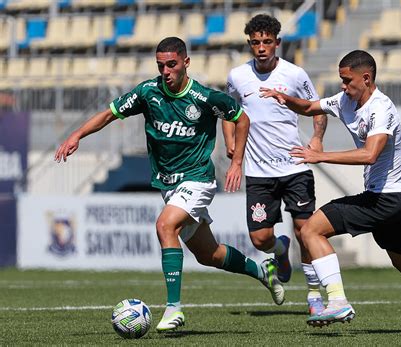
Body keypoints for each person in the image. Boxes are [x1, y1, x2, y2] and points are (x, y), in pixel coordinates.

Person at [54, 37, 285, 332]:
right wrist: (77, 135)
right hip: (169, 185)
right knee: (209, 254)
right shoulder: (147, 92)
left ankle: (174, 308)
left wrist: (237, 161)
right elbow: (110, 114)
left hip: (198, 179)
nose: (166, 71)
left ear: (186, 63)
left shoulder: (204, 98)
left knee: (165, 226)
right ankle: (262, 270)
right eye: (161, 65)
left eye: (172, 64)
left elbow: (241, 119)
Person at [260, 50, 401, 331]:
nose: (343, 87)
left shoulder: (382, 108)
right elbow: (310, 108)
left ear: (366, 78)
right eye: (341, 81)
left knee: (311, 230)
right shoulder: (345, 100)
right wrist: (286, 100)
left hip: (387, 199)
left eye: (347, 81)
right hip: (399, 199)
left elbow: (370, 154)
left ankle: (337, 301)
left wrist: (321, 156)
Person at [223, 13, 327, 316]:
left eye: (267, 42)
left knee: (305, 230)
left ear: (277, 43)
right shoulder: (237, 76)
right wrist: (230, 141)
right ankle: (279, 250)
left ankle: (313, 297)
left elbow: (317, 110)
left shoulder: (295, 75)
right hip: (258, 171)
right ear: (250, 44)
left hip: (295, 167)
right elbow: (228, 112)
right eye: (255, 43)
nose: (261, 48)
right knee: (260, 237)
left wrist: (317, 139)